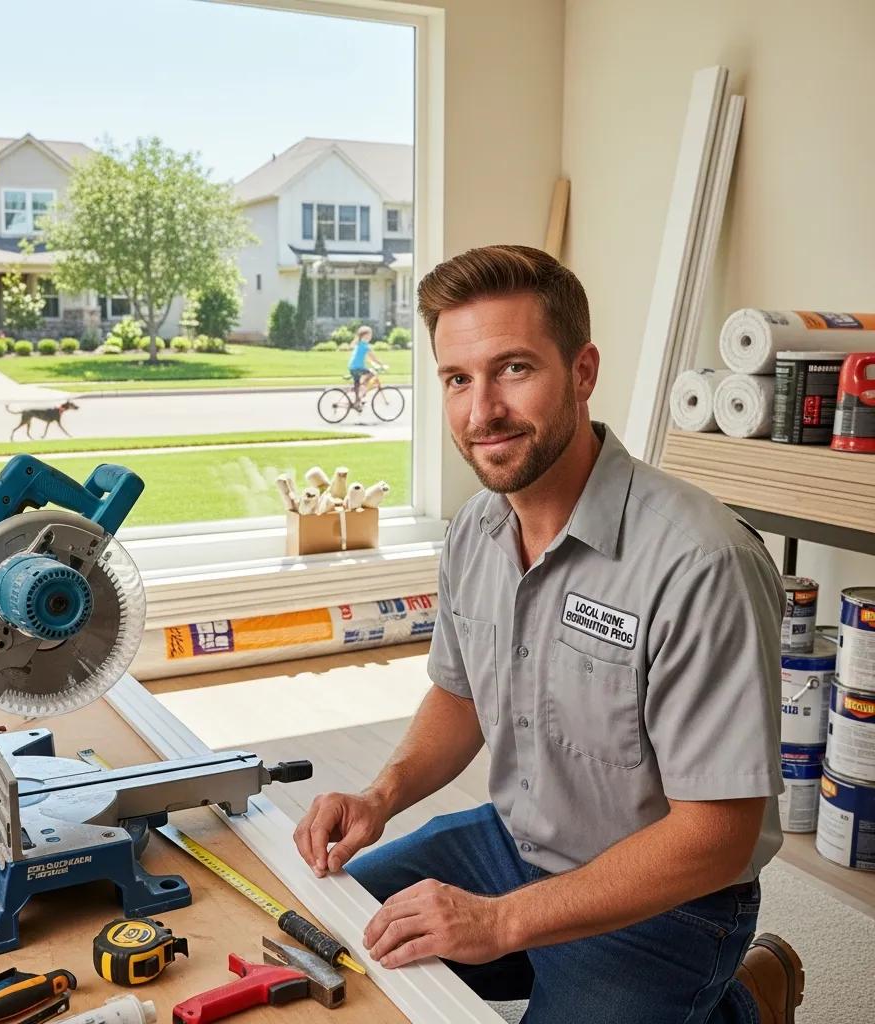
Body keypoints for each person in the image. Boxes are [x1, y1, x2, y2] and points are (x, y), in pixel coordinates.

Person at [294, 246, 805, 1023]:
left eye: (514, 369)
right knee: (321, 941)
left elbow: (719, 838)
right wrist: (379, 795)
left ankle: (743, 1003)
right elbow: (460, 696)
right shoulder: (476, 528)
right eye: (458, 379)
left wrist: (498, 922)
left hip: (668, 902)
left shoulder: (702, 562)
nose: (480, 412)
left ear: (583, 372)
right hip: (513, 845)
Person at [346, 325, 383, 409]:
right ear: (365, 336)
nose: (371, 336)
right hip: (358, 367)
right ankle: (363, 390)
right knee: (372, 374)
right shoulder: (365, 346)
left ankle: (357, 402)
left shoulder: (359, 344)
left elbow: (365, 357)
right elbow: (373, 358)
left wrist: (371, 362)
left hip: (352, 367)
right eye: (370, 334)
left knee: (357, 383)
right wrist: (381, 364)